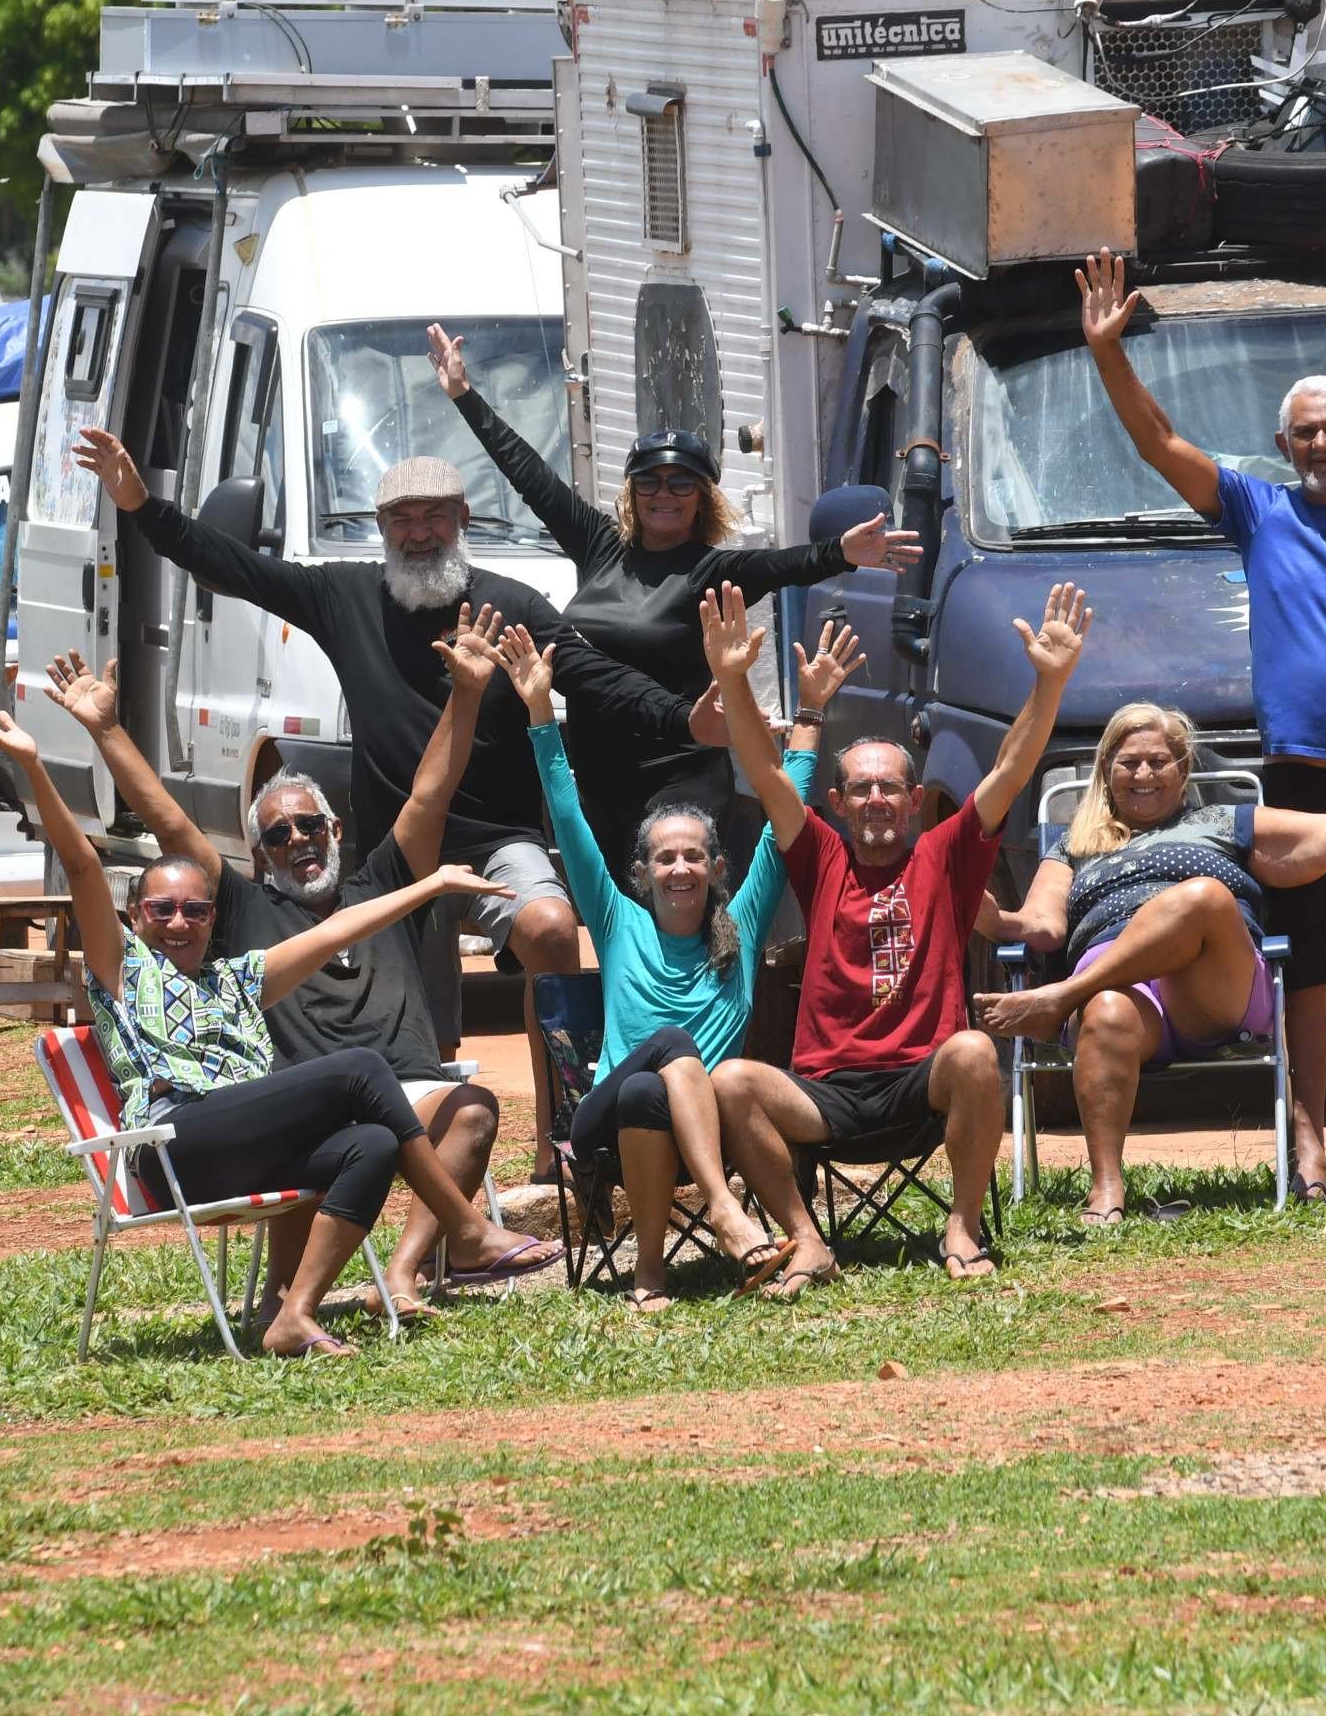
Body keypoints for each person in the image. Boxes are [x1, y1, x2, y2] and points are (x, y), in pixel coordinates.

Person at [75, 421, 721, 1177]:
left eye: (434, 516)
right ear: (381, 528)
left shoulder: (509, 606)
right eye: (401, 519)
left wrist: (684, 718)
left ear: (462, 520)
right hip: (396, 851)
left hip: (498, 837)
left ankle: (562, 1137)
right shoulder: (344, 595)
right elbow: (232, 565)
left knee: (550, 927)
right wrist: (141, 504)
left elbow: (596, 677)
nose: (418, 534)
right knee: (415, 1011)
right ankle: (436, 1149)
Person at [0, 701, 561, 1360]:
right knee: (360, 1070)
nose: (180, 922)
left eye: (196, 910)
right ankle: (466, 1229)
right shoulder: (123, 969)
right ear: (136, 918)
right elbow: (81, 865)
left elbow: (337, 929)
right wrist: (33, 765)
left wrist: (431, 887)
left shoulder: (238, 979)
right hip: (173, 1142)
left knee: (368, 1144)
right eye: (162, 909)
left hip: (245, 1142)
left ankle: (292, 1315)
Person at [1077, 251, 1326, 1197]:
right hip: (1296, 787)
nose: (1323, 445)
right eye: (1307, 434)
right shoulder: (1260, 512)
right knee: (1309, 971)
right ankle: (1310, 1148)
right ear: (1283, 444)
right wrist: (1107, 352)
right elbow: (1159, 442)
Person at [42, 622, 506, 1325]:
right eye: (278, 835)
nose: (298, 841)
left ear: (336, 830)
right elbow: (170, 827)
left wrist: (466, 696)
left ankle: (399, 1274)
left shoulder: (381, 884)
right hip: (304, 1098)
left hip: (404, 1092)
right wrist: (107, 732)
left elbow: (429, 795)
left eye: (310, 826)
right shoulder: (243, 913)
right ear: (258, 855)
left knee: (469, 1110)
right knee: (334, 1099)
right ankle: (314, 1286)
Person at [705, 580, 1093, 1289]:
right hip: (825, 1092)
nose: (876, 799)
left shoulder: (945, 856)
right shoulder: (819, 856)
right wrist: (733, 679)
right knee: (731, 1081)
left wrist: (1051, 682)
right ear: (837, 802)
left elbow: (1011, 767)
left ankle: (962, 1228)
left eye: (890, 788)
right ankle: (807, 1241)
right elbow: (766, 773)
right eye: (861, 789)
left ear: (915, 801)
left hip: (922, 1085)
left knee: (974, 1050)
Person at [428, 323, 919, 878]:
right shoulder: (599, 545)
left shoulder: (711, 570)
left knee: (681, 909)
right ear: (632, 492)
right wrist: (464, 394)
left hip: (681, 778)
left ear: (702, 496)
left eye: (681, 483)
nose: (664, 494)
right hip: (599, 778)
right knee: (613, 917)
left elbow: (785, 564)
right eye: (650, 481)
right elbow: (529, 475)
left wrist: (842, 552)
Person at [497, 616, 864, 1310]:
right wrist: (542, 709)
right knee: (667, 1049)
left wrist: (812, 714)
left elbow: (786, 815)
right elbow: (567, 814)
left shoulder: (740, 925)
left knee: (651, 1089)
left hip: (690, 1118)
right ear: (642, 874)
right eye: (664, 858)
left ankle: (649, 1273)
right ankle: (724, 1210)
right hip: (601, 1123)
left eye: (694, 855)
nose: (680, 868)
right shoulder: (617, 919)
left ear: (718, 868)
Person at [974, 700, 1326, 1223]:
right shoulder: (1073, 845)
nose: (1143, 774)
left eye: (1158, 762)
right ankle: (1107, 1189)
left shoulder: (1226, 822)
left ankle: (1061, 999)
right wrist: (981, 907)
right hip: (1124, 1000)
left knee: (1202, 897)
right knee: (1107, 1010)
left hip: (1212, 988)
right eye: (1129, 762)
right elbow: (1038, 926)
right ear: (1106, 771)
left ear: (1183, 769)